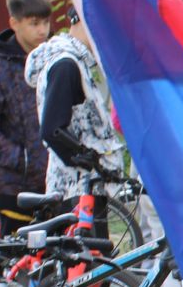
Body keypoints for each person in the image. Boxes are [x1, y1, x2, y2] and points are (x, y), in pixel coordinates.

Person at [0, 0, 53, 229]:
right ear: (14, 23)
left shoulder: (55, 58)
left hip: (59, 184)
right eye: (34, 23)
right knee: (22, 264)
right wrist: (24, 159)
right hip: (17, 189)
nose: (42, 30)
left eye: (46, 22)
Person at [28, 14, 123, 201]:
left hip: (83, 187)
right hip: (75, 189)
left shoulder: (77, 61)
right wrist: (88, 159)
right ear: (79, 20)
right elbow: (52, 130)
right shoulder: (66, 64)